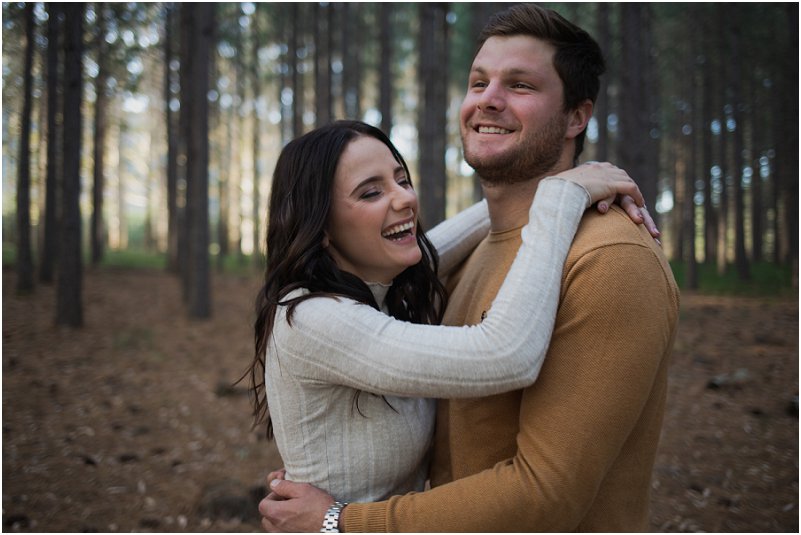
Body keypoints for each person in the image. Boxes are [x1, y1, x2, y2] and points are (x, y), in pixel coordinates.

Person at [260, 3, 680, 532]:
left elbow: (545, 495)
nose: (489, 99)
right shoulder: (474, 256)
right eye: (478, 81)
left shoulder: (608, 261)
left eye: (520, 85)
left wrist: (344, 521)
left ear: (577, 115)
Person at [247, 118, 652, 508]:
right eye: (371, 192)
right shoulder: (313, 319)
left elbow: (471, 228)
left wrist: (560, 179)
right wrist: (562, 196)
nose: (405, 197)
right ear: (321, 226)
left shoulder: (376, 284)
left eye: (401, 179)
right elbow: (505, 354)